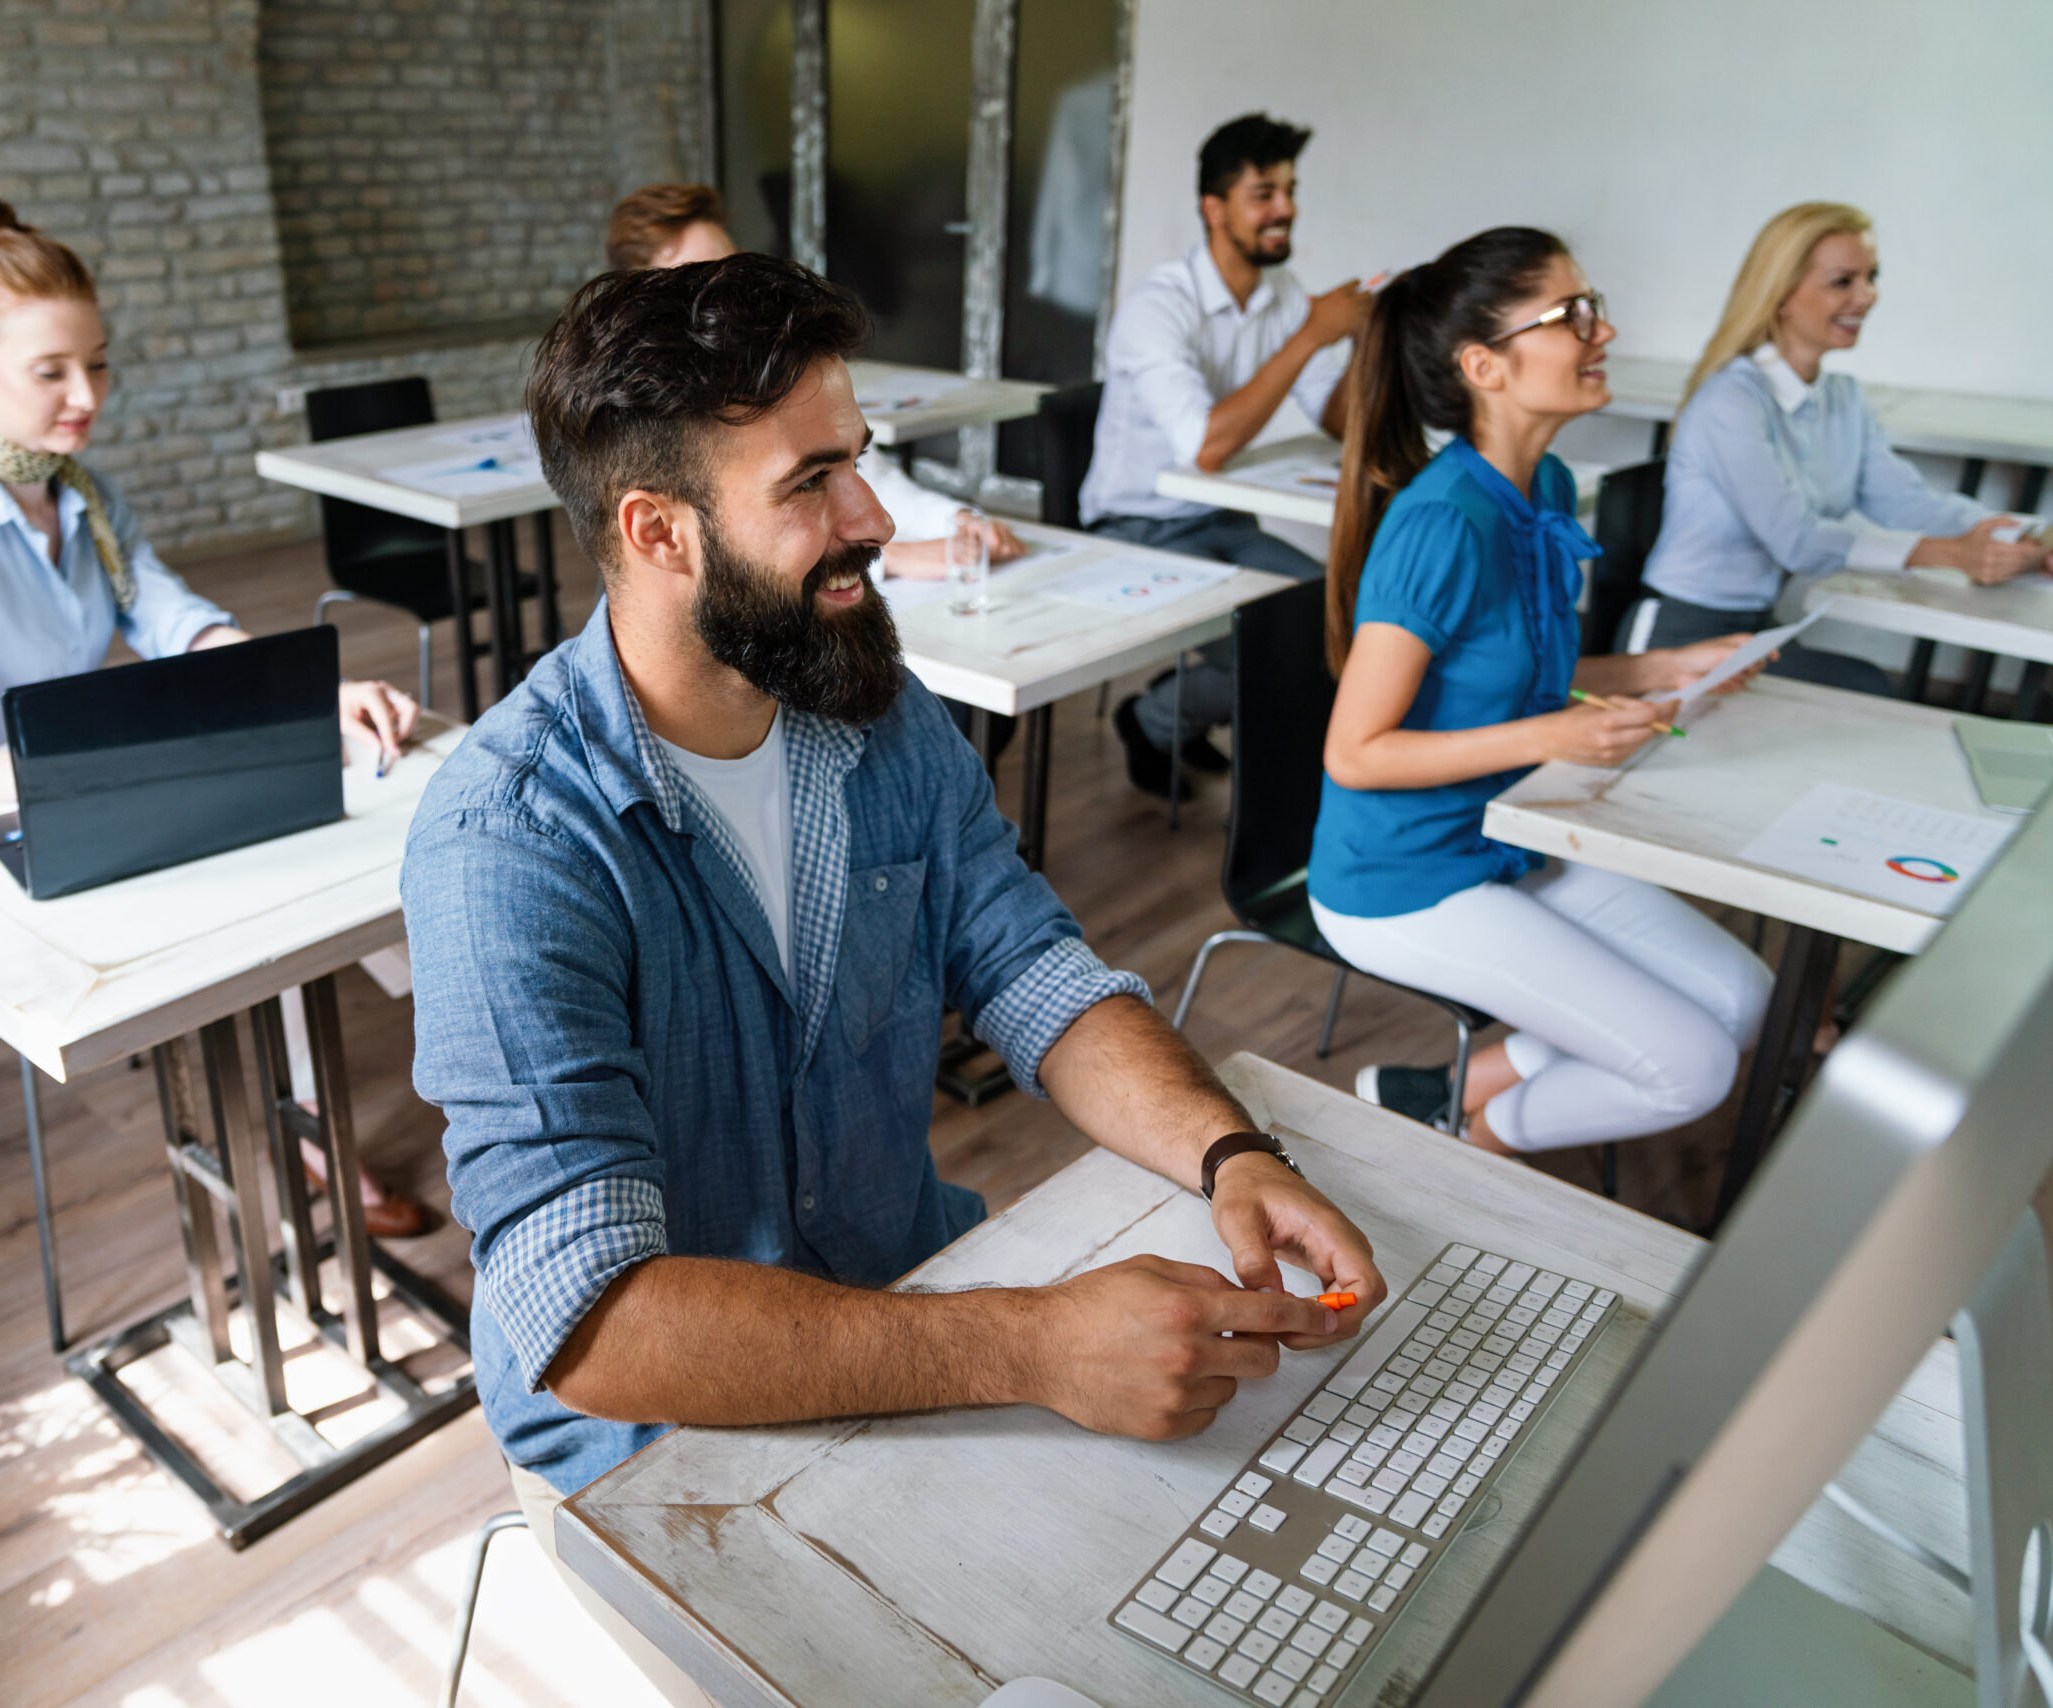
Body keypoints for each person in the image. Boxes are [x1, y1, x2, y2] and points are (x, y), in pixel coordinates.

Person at [403, 254, 1383, 1700]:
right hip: (663, 1447)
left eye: (858, 464)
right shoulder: (511, 841)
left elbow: (1030, 965)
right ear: (658, 531)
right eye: (811, 484)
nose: (872, 518)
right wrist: (1034, 1342)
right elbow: (592, 1326)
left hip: (916, 1310)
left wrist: (1226, 1150)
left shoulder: (874, 711)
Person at [0, 191, 433, 1238]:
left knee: (317, 844)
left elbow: (171, 617)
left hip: (86, 794)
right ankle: (317, 1121)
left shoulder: (84, 494)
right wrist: (41, 775)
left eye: (96, 362)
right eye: (50, 372)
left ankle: (400, 1079)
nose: (85, 393)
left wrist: (305, 691)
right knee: (256, 876)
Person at [1307, 227, 1776, 1158]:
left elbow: (1514, 678)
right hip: (1401, 881)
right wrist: (1554, 737)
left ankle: (1443, 1092)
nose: (1601, 332)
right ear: (1485, 365)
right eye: (1573, 316)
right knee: (1695, 1066)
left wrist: (1662, 670)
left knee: (1745, 1000)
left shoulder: (1547, 483)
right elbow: (1355, 752)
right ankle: (1485, 1145)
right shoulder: (1442, 522)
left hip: (1503, 832)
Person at [1628, 203, 2053, 692]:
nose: (1867, 296)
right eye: (1842, 281)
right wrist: (1952, 555)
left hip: (1756, 629)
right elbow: (1798, 539)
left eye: (1871, 277)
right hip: (1676, 634)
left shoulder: (1843, 400)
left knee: (1860, 689)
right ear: (1781, 294)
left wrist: (2034, 543)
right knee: (1864, 688)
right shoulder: (1731, 401)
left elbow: (1908, 501)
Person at [1081, 112, 1372, 798]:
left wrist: (1362, 341)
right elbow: (1205, 446)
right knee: (1283, 653)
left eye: (1290, 191)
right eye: (1264, 194)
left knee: (1342, 626)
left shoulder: (1282, 297)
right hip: (1136, 525)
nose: (1286, 210)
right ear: (1215, 209)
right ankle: (1159, 718)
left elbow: (1337, 420)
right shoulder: (1159, 306)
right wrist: (1310, 336)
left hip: (1224, 523)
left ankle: (1166, 708)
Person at [605, 182, 1025, 583]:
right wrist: (894, 559)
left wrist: (956, 521)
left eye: (728, 269)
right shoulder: (633, 411)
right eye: (695, 279)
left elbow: (866, 474)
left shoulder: (765, 363)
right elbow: (735, 550)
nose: (724, 291)